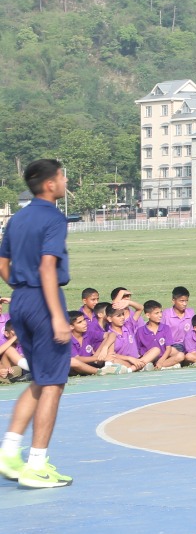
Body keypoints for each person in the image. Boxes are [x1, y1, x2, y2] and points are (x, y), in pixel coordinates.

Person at [0, 159, 76, 488]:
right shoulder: (54, 218)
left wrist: (21, 289)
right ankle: (36, 464)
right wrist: (57, 316)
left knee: (40, 379)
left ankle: (8, 452)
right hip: (45, 301)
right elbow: (47, 267)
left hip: (20, 299)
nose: (65, 182)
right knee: (54, 383)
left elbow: (2, 262)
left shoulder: (17, 218)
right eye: (62, 177)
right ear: (50, 184)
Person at [133, 300, 184, 370]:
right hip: (149, 358)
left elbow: (168, 348)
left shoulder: (166, 328)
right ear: (148, 315)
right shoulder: (140, 331)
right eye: (156, 313)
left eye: (161, 312)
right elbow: (138, 349)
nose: (160, 315)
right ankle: (162, 366)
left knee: (180, 355)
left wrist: (161, 361)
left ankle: (158, 366)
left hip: (163, 358)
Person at [162, 286, 195, 351]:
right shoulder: (166, 314)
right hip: (171, 346)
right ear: (173, 301)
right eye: (182, 301)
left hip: (188, 345)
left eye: (186, 301)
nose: (184, 304)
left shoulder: (191, 313)